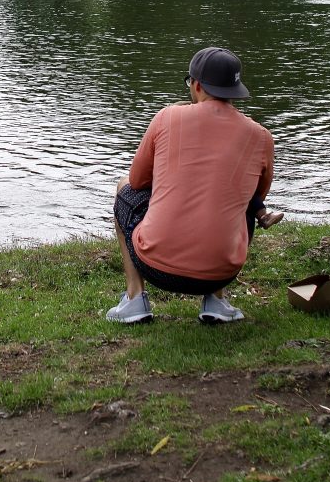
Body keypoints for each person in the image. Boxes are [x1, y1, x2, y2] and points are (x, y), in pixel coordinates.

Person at [107, 46, 276, 326]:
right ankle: (216, 301)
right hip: (222, 271)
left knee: (123, 187)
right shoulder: (261, 137)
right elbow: (258, 195)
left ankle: (135, 299)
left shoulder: (167, 118)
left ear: (196, 85)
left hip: (155, 266)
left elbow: (137, 182)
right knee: (241, 201)